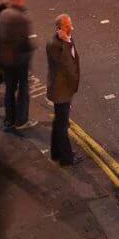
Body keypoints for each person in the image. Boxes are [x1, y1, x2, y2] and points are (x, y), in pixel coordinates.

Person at [0, 0, 34, 131]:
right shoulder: (20, 17)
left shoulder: (4, 14)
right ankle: (21, 120)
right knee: (23, 90)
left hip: (5, 60)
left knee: (9, 90)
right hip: (19, 61)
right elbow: (24, 42)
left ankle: (9, 119)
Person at [46, 14, 80, 165]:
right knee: (62, 124)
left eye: (70, 24)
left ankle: (56, 153)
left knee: (59, 122)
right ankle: (66, 158)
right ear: (60, 28)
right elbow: (66, 65)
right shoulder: (55, 44)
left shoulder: (65, 40)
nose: (71, 28)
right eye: (67, 26)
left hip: (64, 89)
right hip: (61, 91)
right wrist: (66, 42)